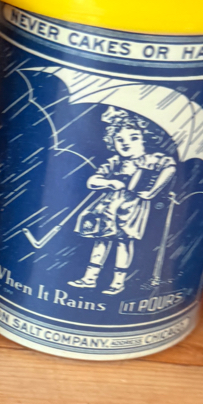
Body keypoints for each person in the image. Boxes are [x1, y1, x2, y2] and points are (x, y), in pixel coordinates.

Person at [68, 108, 176, 296]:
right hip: (108, 206)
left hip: (132, 208)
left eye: (133, 137)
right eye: (120, 139)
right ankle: (89, 278)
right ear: (112, 142)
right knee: (101, 240)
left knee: (123, 242)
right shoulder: (115, 161)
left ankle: (118, 283)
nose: (126, 143)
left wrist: (152, 191)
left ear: (144, 138)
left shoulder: (151, 159)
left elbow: (170, 168)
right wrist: (109, 182)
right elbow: (92, 181)